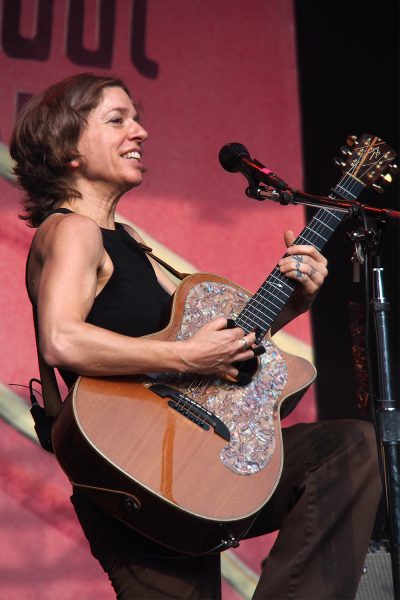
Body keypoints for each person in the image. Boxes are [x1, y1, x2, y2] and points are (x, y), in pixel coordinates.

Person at [10, 73, 381, 599]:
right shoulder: (72, 230)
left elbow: (221, 344)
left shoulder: (132, 243)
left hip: (191, 462)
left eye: (136, 118)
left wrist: (293, 304)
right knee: (351, 447)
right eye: (117, 120)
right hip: (131, 472)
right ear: (67, 149)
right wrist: (187, 355)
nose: (139, 131)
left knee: (348, 448)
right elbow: (62, 341)